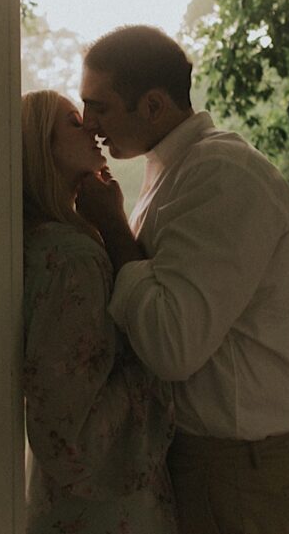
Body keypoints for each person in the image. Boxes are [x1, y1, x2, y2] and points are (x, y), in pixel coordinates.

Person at [75, 25, 289, 533]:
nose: (89, 123)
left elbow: (171, 346)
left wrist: (113, 226)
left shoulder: (222, 174)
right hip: (215, 462)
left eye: (99, 106)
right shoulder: (175, 169)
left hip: (237, 471)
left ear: (154, 106)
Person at [21, 90, 176, 533]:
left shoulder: (40, 239)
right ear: (40, 147)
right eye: (73, 121)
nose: (91, 126)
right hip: (105, 505)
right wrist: (155, 363)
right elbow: (68, 422)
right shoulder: (73, 257)